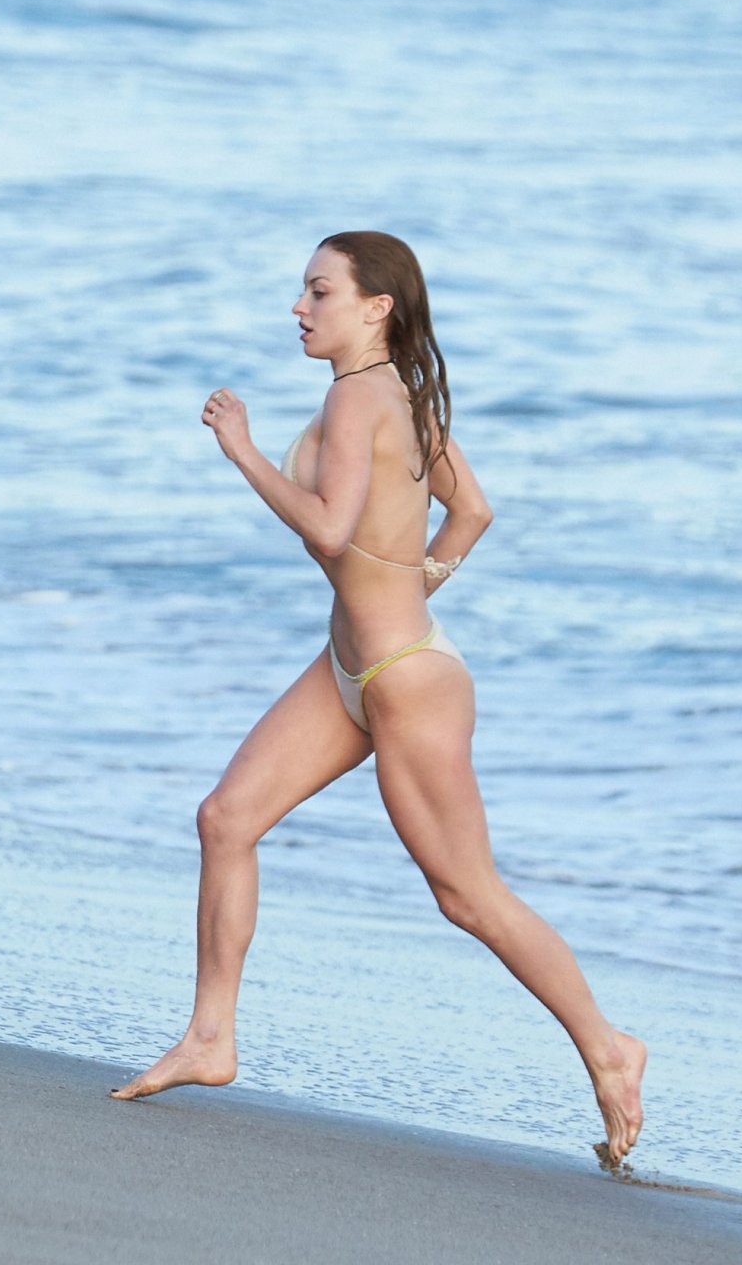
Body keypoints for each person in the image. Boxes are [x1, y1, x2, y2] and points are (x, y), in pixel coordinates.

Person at [112, 231, 646, 1163]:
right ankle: (210, 1037)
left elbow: (329, 531)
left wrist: (242, 451)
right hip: (351, 666)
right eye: (303, 291)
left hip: (404, 680)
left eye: (318, 291)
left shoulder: (360, 397)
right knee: (226, 819)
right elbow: (471, 511)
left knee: (466, 895)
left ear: (375, 307)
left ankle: (609, 1047)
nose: (299, 307)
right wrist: (412, 582)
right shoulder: (399, 393)